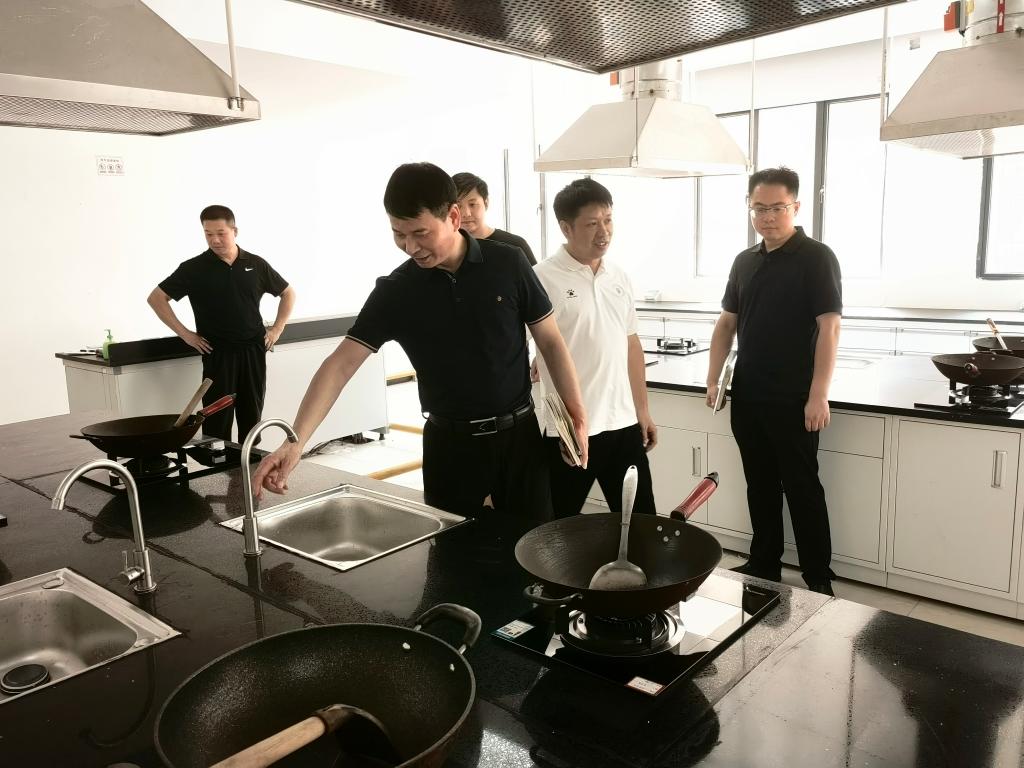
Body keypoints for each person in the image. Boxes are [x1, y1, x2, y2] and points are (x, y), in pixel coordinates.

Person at [252, 162, 588, 528]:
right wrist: (297, 440)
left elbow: (550, 341)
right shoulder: (397, 290)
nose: (410, 247)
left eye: (420, 233)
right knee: (452, 555)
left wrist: (577, 415)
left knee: (534, 547)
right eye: (398, 234)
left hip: (520, 438)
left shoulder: (508, 262)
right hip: (450, 448)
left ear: (453, 217)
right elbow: (340, 365)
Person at [705, 167, 842, 596]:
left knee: (802, 488)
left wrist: (819, 394)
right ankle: (764, 562)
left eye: (777, 208)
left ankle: (817, 576)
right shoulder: (745, 261)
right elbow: (726, 323)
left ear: (795, 207)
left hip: (795, 397)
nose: (766, 217)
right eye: (758, 208)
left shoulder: (817, 257)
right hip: (749, 394)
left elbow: (830, 327)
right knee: (759, 483)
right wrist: (713, 379)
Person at [533, 178, 658, 519]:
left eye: (608, 220)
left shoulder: (618, 276)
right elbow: (520, 344)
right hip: (570, 431)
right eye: (592, 224)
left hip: (623, 425)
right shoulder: (541, 278)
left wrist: (642, 410)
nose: (604, 231)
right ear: (566, 228)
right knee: (556, 529)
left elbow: (631, 345)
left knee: (641, 523)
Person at [148, 205, 296, 443]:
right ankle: (218, 465)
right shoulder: (193, 268)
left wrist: (277, 329)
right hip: (217, 353)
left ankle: (251, 461)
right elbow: (156, 298)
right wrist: (186, 334)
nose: (214, 240)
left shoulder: (256, 264)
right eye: (208, 234)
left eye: (221, 233)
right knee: (217, 419)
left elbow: (288, 293)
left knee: (252, 414)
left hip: (253, 350)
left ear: (235, 231)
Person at [452, 172, 537, 265]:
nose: (466, 214)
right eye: (458, 206)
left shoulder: (515, 245)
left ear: (486, 203)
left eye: (472, 204)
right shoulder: (445, 251)